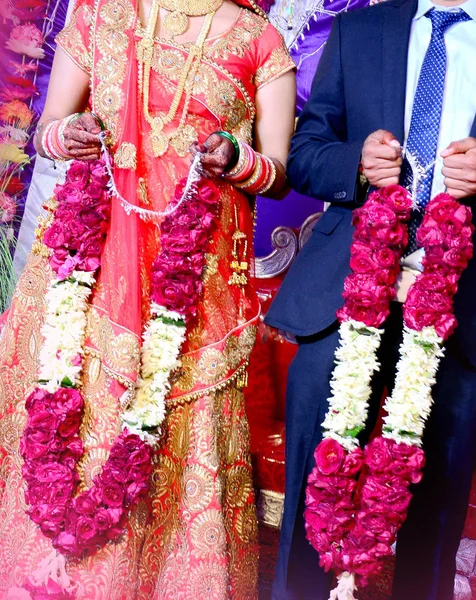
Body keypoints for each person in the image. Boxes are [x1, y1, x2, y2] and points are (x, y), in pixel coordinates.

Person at [265, 0, 476, 598]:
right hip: (345, 291)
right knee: (314, 490)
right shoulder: (361, 27)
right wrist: (357, 164)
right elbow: (308, 150)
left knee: (436, 506)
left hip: (469, 305)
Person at [0, 0, 295, 597]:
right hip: (92, 260)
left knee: (171, 422)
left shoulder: (260, 42)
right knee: (71, 409)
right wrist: (68, 134)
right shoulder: (100, 15)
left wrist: (236, 159)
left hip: (197, 280)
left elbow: (279, 171)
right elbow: (48, 127)